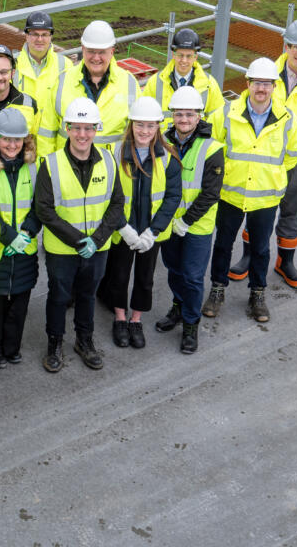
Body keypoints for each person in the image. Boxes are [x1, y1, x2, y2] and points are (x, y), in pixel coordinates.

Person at [228, 19, 297, 288]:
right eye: (295, 46)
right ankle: (248, 257)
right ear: (285, 45)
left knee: (292, 210)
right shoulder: (267, 71)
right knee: (257, 204)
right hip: (266, 156)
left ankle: (285, 262)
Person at [202, 58, 297, 323]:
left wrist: (271, 177)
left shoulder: (287, 120)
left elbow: (294, 154)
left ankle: (257, 294)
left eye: (267, 84)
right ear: (247, 83)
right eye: (257, 83)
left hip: (265, 197)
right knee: (223, 244)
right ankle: (217, 290)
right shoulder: (225, 114)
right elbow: (211, 150)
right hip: (230, 193)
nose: (261, 88)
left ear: (274, 87)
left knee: (260, 248)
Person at [35, 97, 125, 373]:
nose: (82, 134)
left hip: (97, 249)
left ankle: (84, 342)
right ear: (67, 128)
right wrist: (78, 240)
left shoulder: (109, 160)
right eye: (77, 128)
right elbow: (44, 210)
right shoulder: (50, 164)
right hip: (62, 251)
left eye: (88, 128)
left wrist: (96, 240)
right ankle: (55, 343)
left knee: (87, 296)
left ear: (96, 129)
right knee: (59, 297)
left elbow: (117, 202)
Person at [98, 96, 181, 349]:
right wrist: (123, 227)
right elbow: (108, 194)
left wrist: (152, 232)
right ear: (131, 124)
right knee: (119, 274)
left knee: (145, 278)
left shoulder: (167, 156)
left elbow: (172, 196)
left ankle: (136, 319)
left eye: (150, 125)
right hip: (123, 230)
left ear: (158, 127)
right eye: (139, 125)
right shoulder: (115, 153)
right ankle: (120, 318)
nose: (145, 131)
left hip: (149, 233)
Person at [156, 86, 224, 353]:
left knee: (193, 276)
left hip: (197, 226)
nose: (184, 119)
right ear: (172, 115)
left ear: (199, 116)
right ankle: (178, 307)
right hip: (169, 224)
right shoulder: (162, 142)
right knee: (174, 270)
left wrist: (185, 221)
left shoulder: (212, 148)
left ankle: (191, 325)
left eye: (190, 114)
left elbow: (210, 194)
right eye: (179, 114)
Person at [0, 108, 42, 368]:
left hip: (25, 248)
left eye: (18, 140)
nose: (12, 145)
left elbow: (41, 204)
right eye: (6, 139)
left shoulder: (34, 166)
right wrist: (8, 237)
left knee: (19, 303)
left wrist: (27, 232)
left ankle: (12, 348)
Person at [39, 20, 140, 154]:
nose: (96, 58)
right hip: (67, 168)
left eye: (102, 52)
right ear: (83, 49)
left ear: (112, 51)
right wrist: (47, 169)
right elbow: (46, 133)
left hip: (112, 170)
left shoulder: (129, 83)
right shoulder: (63, 81)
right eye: (91, 51)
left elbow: (140, 134)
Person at [142, 28, 225, 131]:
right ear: (173, 55)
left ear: (196, 57)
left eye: (189, 56)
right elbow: (144, 116)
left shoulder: (209, 84)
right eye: (180, 55)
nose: (184, 60)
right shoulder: (155, 82)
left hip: (196, 145)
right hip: (163, 144)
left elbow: (219, 120)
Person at [12, 11, 71, 156]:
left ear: (51, 37)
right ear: (26, 36)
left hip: (53, 153)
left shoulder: (65, 65)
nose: (39, 39)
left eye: (44, 35)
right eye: (34, 34)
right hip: (17, 151)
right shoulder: (12, 64)